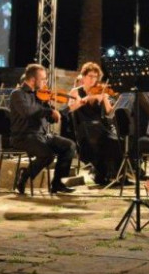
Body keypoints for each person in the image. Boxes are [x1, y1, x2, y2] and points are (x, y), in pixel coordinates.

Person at [9, 64, 77, 195]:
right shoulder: (18, 94)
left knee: (69, 146)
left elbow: (51, 118)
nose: (46, 82)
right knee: (47, 155)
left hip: (42, 135)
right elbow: (28, 112)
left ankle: (57, 183)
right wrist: (49, 111)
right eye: (43, 79)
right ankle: (24, 176)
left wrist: (61, 111)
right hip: (23, 136)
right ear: (32, 80)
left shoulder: (40, 95)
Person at [68, 62, 121, 187]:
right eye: (90, 76)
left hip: (100, 128)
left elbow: (109, 112)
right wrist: (86, 99)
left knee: (118, 141)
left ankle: (111, 174)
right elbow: (70, 109)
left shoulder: (101, 91)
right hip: (84, 129)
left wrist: (113, 100)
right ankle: (103, 173)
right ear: (84, 76)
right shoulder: (75, 91)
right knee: (108, 140)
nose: (93, 79)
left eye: (95, 77)